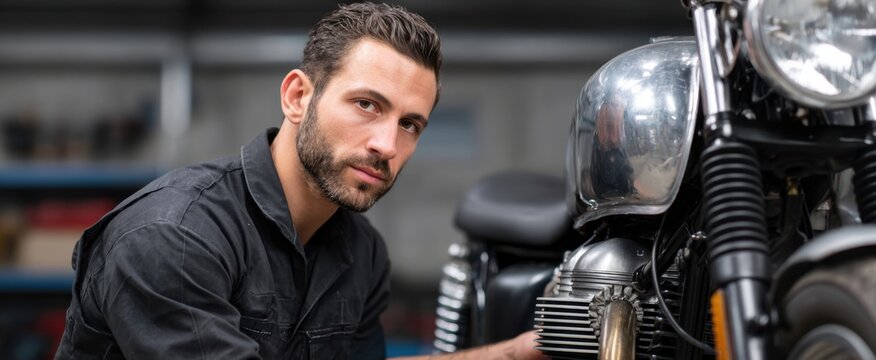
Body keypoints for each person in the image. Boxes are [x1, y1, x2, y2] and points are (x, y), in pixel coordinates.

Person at [54, 2, 545, 359]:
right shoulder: (175, 234)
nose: (387, 145)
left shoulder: (361, 251)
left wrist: (512, 354)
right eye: (366, 105)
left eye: (409, 124)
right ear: (296, 97)